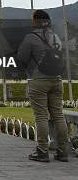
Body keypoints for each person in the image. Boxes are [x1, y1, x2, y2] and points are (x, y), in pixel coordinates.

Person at [17, 9, 68, 162]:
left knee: (41, 116)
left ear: (35, 21)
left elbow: (22, 57)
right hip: (57, 80)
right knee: (58, 115)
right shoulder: (56, 37)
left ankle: (42, 151)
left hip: (38, 80)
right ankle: (62, 152)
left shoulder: (31, 38)